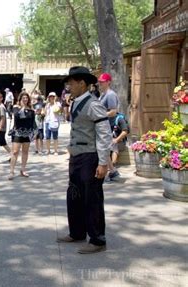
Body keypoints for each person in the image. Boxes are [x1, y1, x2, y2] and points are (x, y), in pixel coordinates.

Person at [57, 66, 112, 254]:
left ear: (82, 83)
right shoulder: (75, 102)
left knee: (92, 199)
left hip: (90, 157)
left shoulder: (94, 104)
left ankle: (97, 239)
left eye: (71, 82)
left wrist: (103, 162)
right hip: (77, 156)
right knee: (74, 195)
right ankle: (77, 232)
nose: (68, 85)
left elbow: (104, 134)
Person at [98, 73, 121, 181]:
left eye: (102, 82)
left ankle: (111, 171)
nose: (100, 83)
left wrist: (100, 115)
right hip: (102, 126)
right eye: (100, 81)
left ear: (108, 82)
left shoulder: (110, 94)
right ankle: (112, 171)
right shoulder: (102, 94)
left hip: (108, 126)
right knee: (103, 149)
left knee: (104, 149)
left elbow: (113, 111)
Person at [8, 92, 36, 180]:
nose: (25, 99)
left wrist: (34, 132)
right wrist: (23, 108)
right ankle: (11, 171)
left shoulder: (31, 109)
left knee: (25, 152)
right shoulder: (16, 108)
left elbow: (32, 122)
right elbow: (17, 116)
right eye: (23, 98)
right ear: (20, 99)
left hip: (27, 133)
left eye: (26, 98)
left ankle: (23, 170)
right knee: (15, 152)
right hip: (17, 132)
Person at [107, 113, 129, 182]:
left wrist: (116, 140)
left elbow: (125, 131)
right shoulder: (105, 119)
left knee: (113, 144)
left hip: (120, 142)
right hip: (109, 142)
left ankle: (113, 166)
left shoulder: (119, 119)